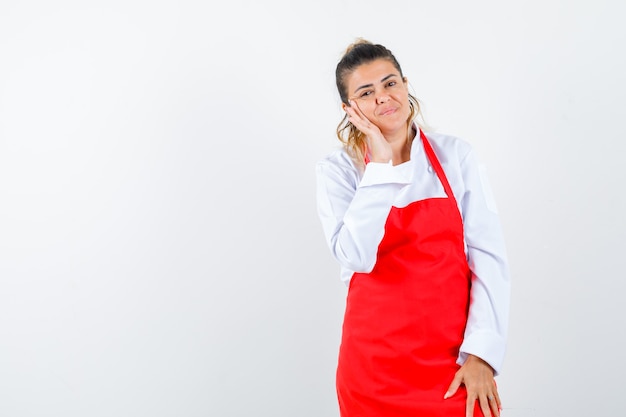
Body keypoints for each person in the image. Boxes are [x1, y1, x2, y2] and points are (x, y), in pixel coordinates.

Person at [315, 39, 511, 417]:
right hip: (373, 372)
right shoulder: (338, 171)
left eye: (390, 83)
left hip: (455, 365)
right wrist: (382, 164)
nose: (383, 97)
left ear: (406, 84)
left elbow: (489, 257)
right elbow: (355, 256)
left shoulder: (456, 156)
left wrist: (482, 354)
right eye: (366, 92)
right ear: (348, 109)